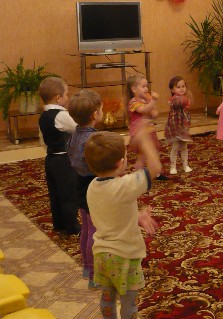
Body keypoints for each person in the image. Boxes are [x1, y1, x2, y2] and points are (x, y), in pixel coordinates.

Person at [85, 128, 160, 319]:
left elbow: (111, 213)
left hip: (101, 254)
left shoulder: (92, 186)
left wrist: (136, 216)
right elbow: (155, 168)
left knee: (107, 296)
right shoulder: (124, 185)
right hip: (125, 255)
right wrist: (145, 140)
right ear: (121, 162)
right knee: (129, 301)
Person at [68, 89, 103, 288]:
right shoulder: (94, 139)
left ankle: (86, 268)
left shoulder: (75, 134)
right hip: (93, 185)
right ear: (95, 114)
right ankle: (93, 275)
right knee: (94, 231)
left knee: (86, 228)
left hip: (79, 183)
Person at [38, 77, 80, 235]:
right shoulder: (61, 115)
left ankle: (59, 223)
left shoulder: (44, 115)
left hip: (51, 158)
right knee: (68, 193)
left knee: (55, 193)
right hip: (64, 160)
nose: (67, 97)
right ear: (58, 98)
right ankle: (72, 226)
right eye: (66, 94)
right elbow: (77, 128)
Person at [126, 73, 167, 179]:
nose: (146, 89)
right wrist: (153, 101)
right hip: (140, 133)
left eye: (146, 86)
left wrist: (152, 104)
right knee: (141, 156)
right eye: (143, 86)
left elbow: (155, 113)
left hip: (149, 130)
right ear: (134, 89)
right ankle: (138, 174)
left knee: (152, 151)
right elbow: (143, 110)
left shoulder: (146, 100)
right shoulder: (133, 102)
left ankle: (155, 172)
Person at [165, 76, 193, 174]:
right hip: (175, 126)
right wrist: (184, 100)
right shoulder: (173, 99)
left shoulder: (185, 98)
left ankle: (185, 165)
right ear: (172, 90)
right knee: (175, 146)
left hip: (183, 126)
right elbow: (177, 104)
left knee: (184, 146)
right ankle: (173, 166)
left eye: (183, 86)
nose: (182, 88)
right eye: (178, 87)